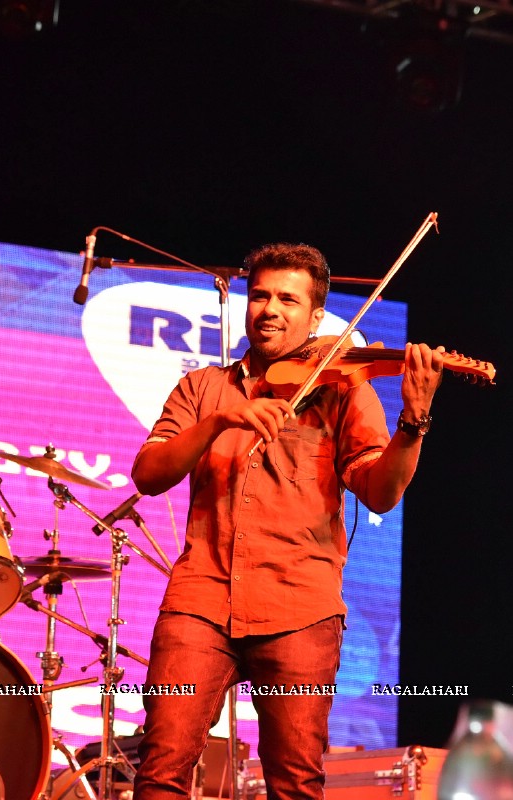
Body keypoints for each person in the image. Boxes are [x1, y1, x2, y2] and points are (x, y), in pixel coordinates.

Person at [130, 243, 445, 800]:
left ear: (315, 316)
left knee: (296, 783)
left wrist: (414, 422)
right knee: (161, 769)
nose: (269, 308)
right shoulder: (204, 388)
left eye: (287, 299)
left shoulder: (344, 386)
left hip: (301, 608)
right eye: (260, 295)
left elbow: (380, 492)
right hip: (200, 600)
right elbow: (148, 474)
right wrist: (219, 422)